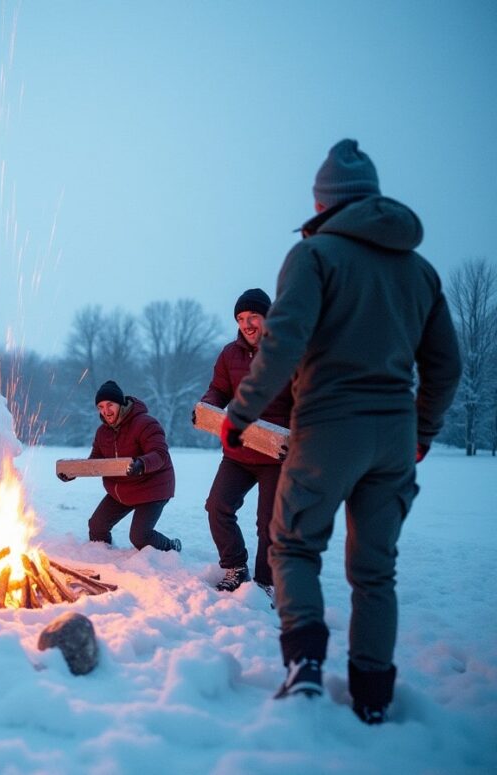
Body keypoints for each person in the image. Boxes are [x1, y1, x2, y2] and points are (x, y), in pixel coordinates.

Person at [224, 139, 461, 723]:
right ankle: (373, 698)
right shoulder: (420, 270)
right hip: (395, 435)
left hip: (328, 427)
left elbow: (283, 343)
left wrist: (241, 415)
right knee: (376, 571)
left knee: (294, 545)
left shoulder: (314, 256)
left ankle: (304, 668)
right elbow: (446, 366)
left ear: (322, 202)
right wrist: (422, 429)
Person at [198, 289, 293, 600]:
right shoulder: (230, 354)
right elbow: (218, 390)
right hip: (238, 451)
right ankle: (236, 567)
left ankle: (266, 582)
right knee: (217, 506)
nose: (247, 324)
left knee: (269, 524)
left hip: (277, 455)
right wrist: (207, 407)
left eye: (253, 316)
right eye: (240, 318)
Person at [59, 380, 181, 553]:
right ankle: (104, 557)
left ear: (121, 403)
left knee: (139, 536)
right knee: (97, 526)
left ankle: (171, 547)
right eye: (101, 407)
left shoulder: (145, 423)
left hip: (152, 488)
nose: (106, 411)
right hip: (123, 490)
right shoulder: (102, 432)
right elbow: (95, 461)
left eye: (110, 404)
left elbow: (160, 454)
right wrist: (73, 472)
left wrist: (141, 464)